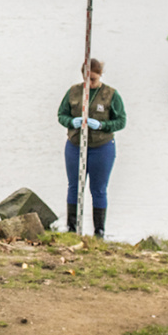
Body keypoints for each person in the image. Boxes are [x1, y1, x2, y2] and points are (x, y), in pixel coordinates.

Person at [57, 58, 127, 237]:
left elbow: (121, 121)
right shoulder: (74, 92)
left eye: (93, 79)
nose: (90, 83)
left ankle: (99, 231)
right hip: (75, 145)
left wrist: (102, 125)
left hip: (101, 147)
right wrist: (71, 122)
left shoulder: (111, 94)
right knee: (74, 186)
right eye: (87, 79)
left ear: (100, 75)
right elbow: (61, 115)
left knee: (99, 189)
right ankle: (71, 228)